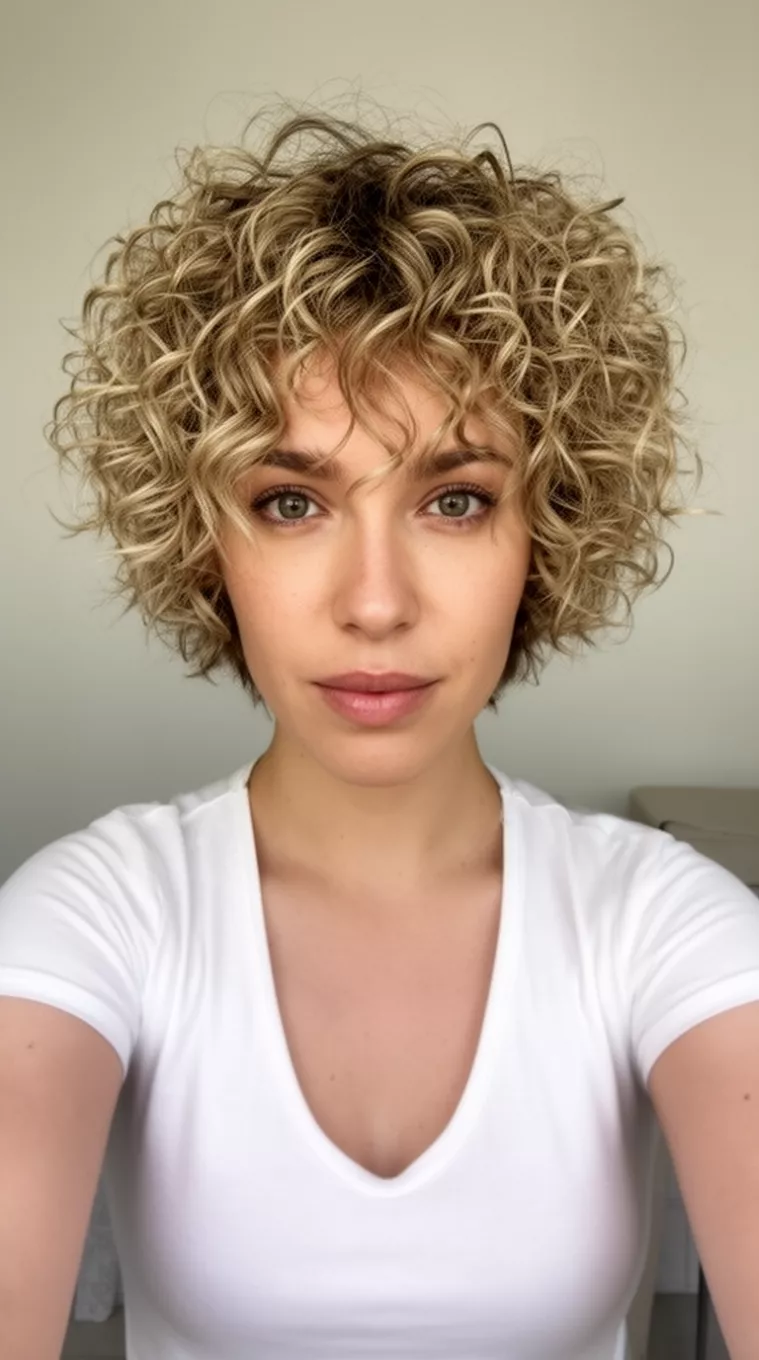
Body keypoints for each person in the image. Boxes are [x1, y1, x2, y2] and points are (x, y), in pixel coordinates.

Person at [2, 100, 759, 1360]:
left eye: (455, 499)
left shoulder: (663, 922)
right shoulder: (98, 913)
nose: (374, 601)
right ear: (207, 543)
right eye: (291, 500)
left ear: (548, 533)